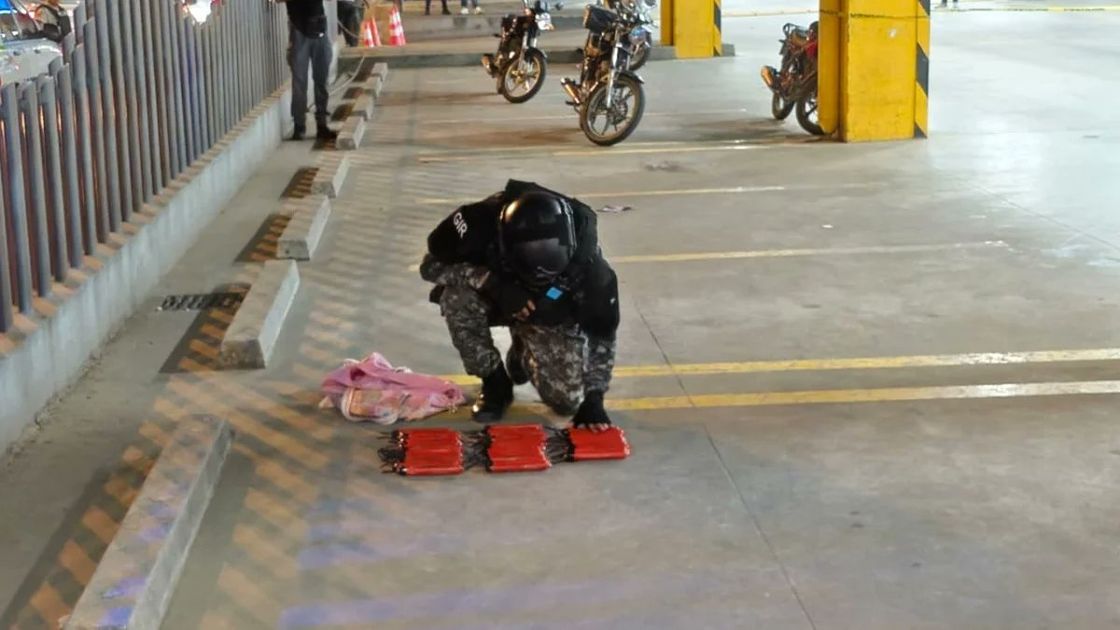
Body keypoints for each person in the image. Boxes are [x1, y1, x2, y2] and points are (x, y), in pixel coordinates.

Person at [420, 180, 619, 431]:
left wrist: (595, 398)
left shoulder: (591, 269)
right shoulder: (478, 229)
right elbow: (430, 267)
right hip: (497, 294)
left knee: (567, 402)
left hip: (548, 307)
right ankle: (495, 383)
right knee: (456, 298)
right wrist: (493, 283)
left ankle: (523, 350)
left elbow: (603, 336)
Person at [274, 0, 338, 141]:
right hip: (299, 30)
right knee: (299, 83)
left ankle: (322, 125)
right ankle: (299, 126)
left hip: (319, 29)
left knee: (321, 80)